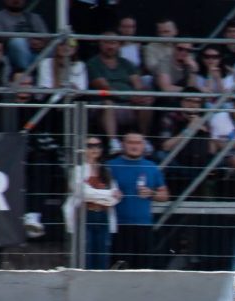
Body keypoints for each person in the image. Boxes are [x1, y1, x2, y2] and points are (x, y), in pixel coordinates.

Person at [107, 132, 169, 269]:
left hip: (143, 225)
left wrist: (151, 193)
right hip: (118, 226)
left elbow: (164, 195)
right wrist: (110, 194)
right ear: (123, 145)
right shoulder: (110, 166)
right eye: (130, 142)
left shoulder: (151, 167)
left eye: (138, 143)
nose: (134, 146)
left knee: (142, 268)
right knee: (118, 268)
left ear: (144, 145)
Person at [86, 33, 154, 154]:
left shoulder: (126, 63)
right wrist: (130, 96)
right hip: (103, 101)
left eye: (113, 43)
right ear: (100, 44)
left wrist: (141, 96)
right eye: (106, 42)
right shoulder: (93, 63)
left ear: (119, 45)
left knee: (146, 103)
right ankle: (113, 143)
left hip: (129, 103)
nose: (110, 46)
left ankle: (143, 140)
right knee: (108, 102)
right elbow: (103, 86)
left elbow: (138, 84)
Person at [65, 136, 122, 269]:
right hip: (85, 215)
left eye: (98, 146)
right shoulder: (77, 170)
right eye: (90, 146)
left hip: (103, 216)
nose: (94, 149)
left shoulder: (106, 170)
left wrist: (101, 195)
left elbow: (116, 198)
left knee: (102, 256)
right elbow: (83, 193)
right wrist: (108, 194)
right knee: (86, 255)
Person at [159, 89, 215, 190]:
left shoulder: (203, 119)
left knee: (220, 162)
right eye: (189, 100)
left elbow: (212, 150)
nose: (193, 105)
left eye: (197, 102)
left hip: (199, 163)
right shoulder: (171, 117)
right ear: (182, 102)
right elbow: (165, 146)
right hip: (178, 162)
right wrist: (188, 129)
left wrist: (206, 133)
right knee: (160, 156)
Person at [0, 0, 49, 71]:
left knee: (55, 46)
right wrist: (28, 41)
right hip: (10, 56)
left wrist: (41, 43)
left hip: (37, 54)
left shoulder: (35, 17)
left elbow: (47, 37)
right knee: (18, 42)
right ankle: (25, 74)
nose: (16, 0)